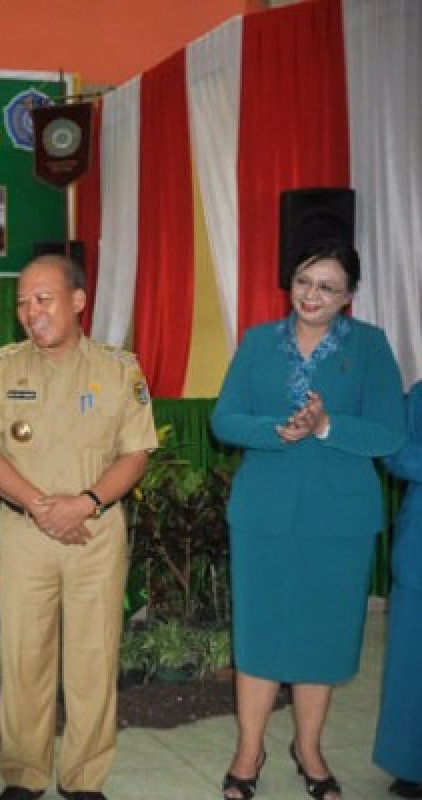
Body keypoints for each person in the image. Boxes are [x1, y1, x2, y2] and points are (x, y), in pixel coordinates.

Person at [211, 239, 405, 800]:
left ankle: (308, 748)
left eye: (326, 286)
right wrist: (278, 428)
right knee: (260, 637)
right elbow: (224, 420)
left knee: (322, 639)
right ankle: (249, 751)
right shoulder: (257, 342)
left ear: (349, 295)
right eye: (303, 281)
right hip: (263, 515)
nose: (311, 295)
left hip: (338, 522)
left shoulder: (369, 347)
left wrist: (326, 427)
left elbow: (390, 433)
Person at [0, 254, 157, 800]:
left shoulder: (120, 369)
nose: (30, 312)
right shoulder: (0, 369)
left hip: (96, 535)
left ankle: (84, 778)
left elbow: (136, 453)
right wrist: (44, 506)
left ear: (77, 301)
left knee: (95, 659)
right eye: (23, 302)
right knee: (24, 658)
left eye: (43, 299)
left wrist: (87, 503)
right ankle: (24, 776)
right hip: (27, 533)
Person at [375, 380, 422, 798]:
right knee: (413, 658)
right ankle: (412, 762)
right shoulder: (419, 396)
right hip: (420, 550)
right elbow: (394, 452)